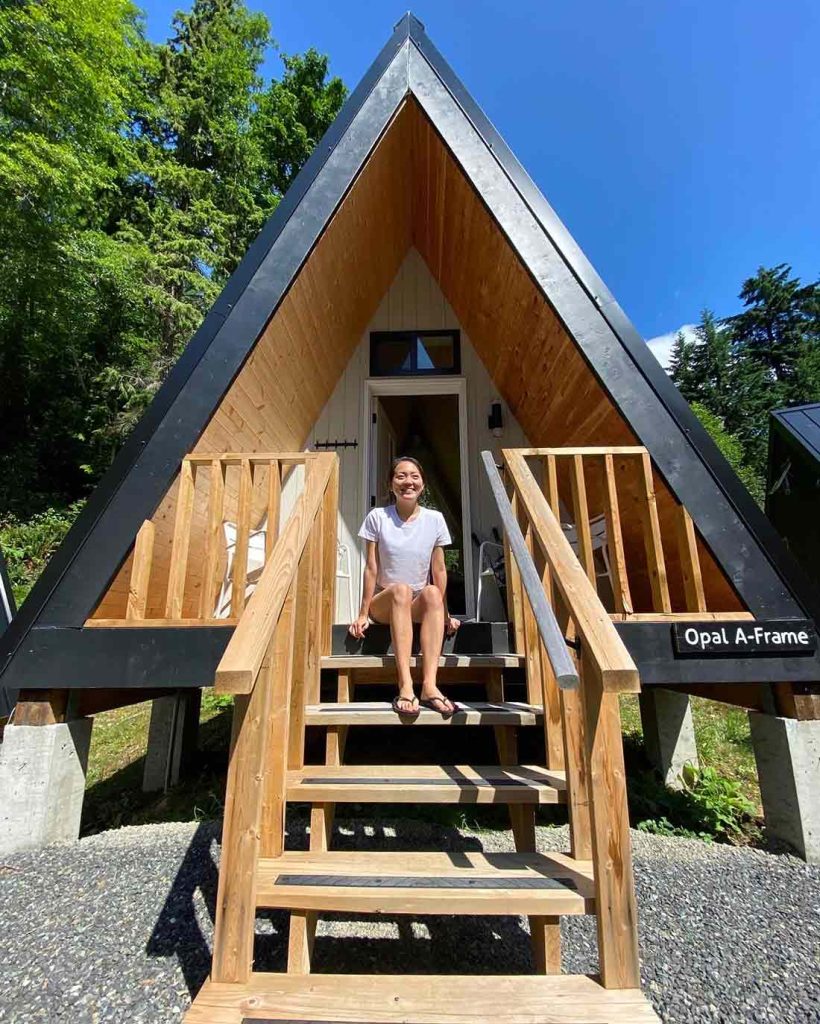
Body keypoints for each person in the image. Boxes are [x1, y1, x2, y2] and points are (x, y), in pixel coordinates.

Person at [350, 456, 460, 718]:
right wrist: (363, 613)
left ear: (422, 484)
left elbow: (439, 569)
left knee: (431, 590)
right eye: (400, 476)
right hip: (386, 603)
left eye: (414, 476)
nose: (408, 482)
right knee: (401, 589)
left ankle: (430, 686)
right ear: (391, 484)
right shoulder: (378, 516)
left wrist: (444, 614)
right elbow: (371, 568)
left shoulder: (434, 519)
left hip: (417, 603)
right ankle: (406, 685)